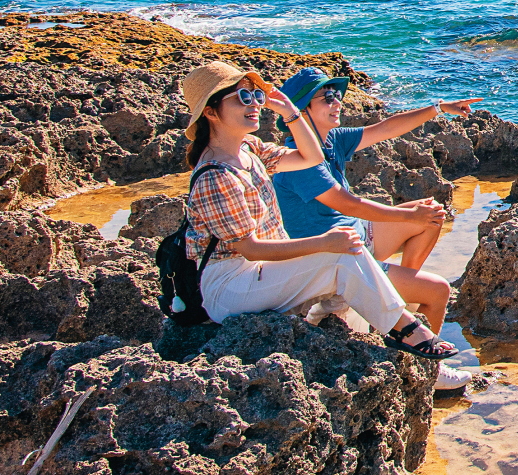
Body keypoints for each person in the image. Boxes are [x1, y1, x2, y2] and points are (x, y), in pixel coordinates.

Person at [178, 59, 456, 365]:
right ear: (210, 112)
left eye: (257, 96)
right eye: (243, 97)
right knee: (343, 252)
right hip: (230, 287)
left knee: (348, 251)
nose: (255, 104)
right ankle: (405, 330)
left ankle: (394, 336)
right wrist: (325, 244)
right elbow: (248, 247)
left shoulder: (250, 150)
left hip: (259, 272)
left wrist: (291, 113)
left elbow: (311, 157)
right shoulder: (215, 176)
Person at [270, 66, 480, 342]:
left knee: (431, 214)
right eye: (327, 98)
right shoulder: (297, 160)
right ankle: (425, 364)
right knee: (438, 290)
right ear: (302, 110)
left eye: (336, 95)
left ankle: (400, 302)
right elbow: (348, 205)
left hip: (356, 238)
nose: (337, 102)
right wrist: (406, 217)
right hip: (334, 260)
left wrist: (439, 107)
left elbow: (387, 128)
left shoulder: (332, 140)